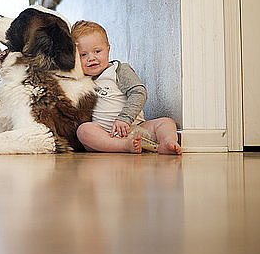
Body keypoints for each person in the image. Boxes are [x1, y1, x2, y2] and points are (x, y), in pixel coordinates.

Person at [71, 20, 182, 155]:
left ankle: (167, 142)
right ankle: (124, 145)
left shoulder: (119, 70)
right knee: (84, 131)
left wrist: (125, 118)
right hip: (106, 134)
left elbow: (139, 93)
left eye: (97, 51)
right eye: (83, 54)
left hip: (135, 127)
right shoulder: (81, 79)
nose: (91, 58)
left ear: (108, 49)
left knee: (166, 122)